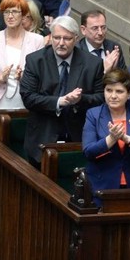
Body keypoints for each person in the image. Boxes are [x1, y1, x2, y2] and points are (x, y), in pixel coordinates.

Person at [19, 16, 105, 167]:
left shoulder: (93, 64)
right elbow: (28, 97)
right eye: (57, 38)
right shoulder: (35, 60)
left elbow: (100, 98)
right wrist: (59, 102)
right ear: (51, 37)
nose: (61, 43)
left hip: (79, 138)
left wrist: (80, 99)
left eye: (67, 38)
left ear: (76, 39)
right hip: (42, 137)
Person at [82, 69, 130, 195]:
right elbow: (88, 151)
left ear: (129, 94)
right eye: (109, 90)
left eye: (119, 91)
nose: (113, 96)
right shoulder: (93, 114)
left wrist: (126, 139)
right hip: (102, 185)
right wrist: (111, 139)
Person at [0, 0, 47, 138]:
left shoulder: (37, 41)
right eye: (6, 12)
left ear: (23, 15)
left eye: (14, 12)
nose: (10, 16)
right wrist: (0, 78)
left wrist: (24, 78)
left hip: (24, 104)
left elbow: (42, 81)